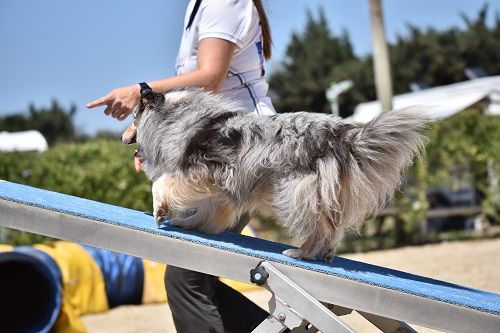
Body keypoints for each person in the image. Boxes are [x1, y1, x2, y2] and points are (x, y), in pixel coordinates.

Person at [87, 0, 276, 331]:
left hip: (236, 153)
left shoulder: (223, 3)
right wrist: (153, 141)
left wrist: (142, 91)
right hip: (218, 147)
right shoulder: (202, 4)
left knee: (186, 279)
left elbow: (209, 80)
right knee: (191, 279)